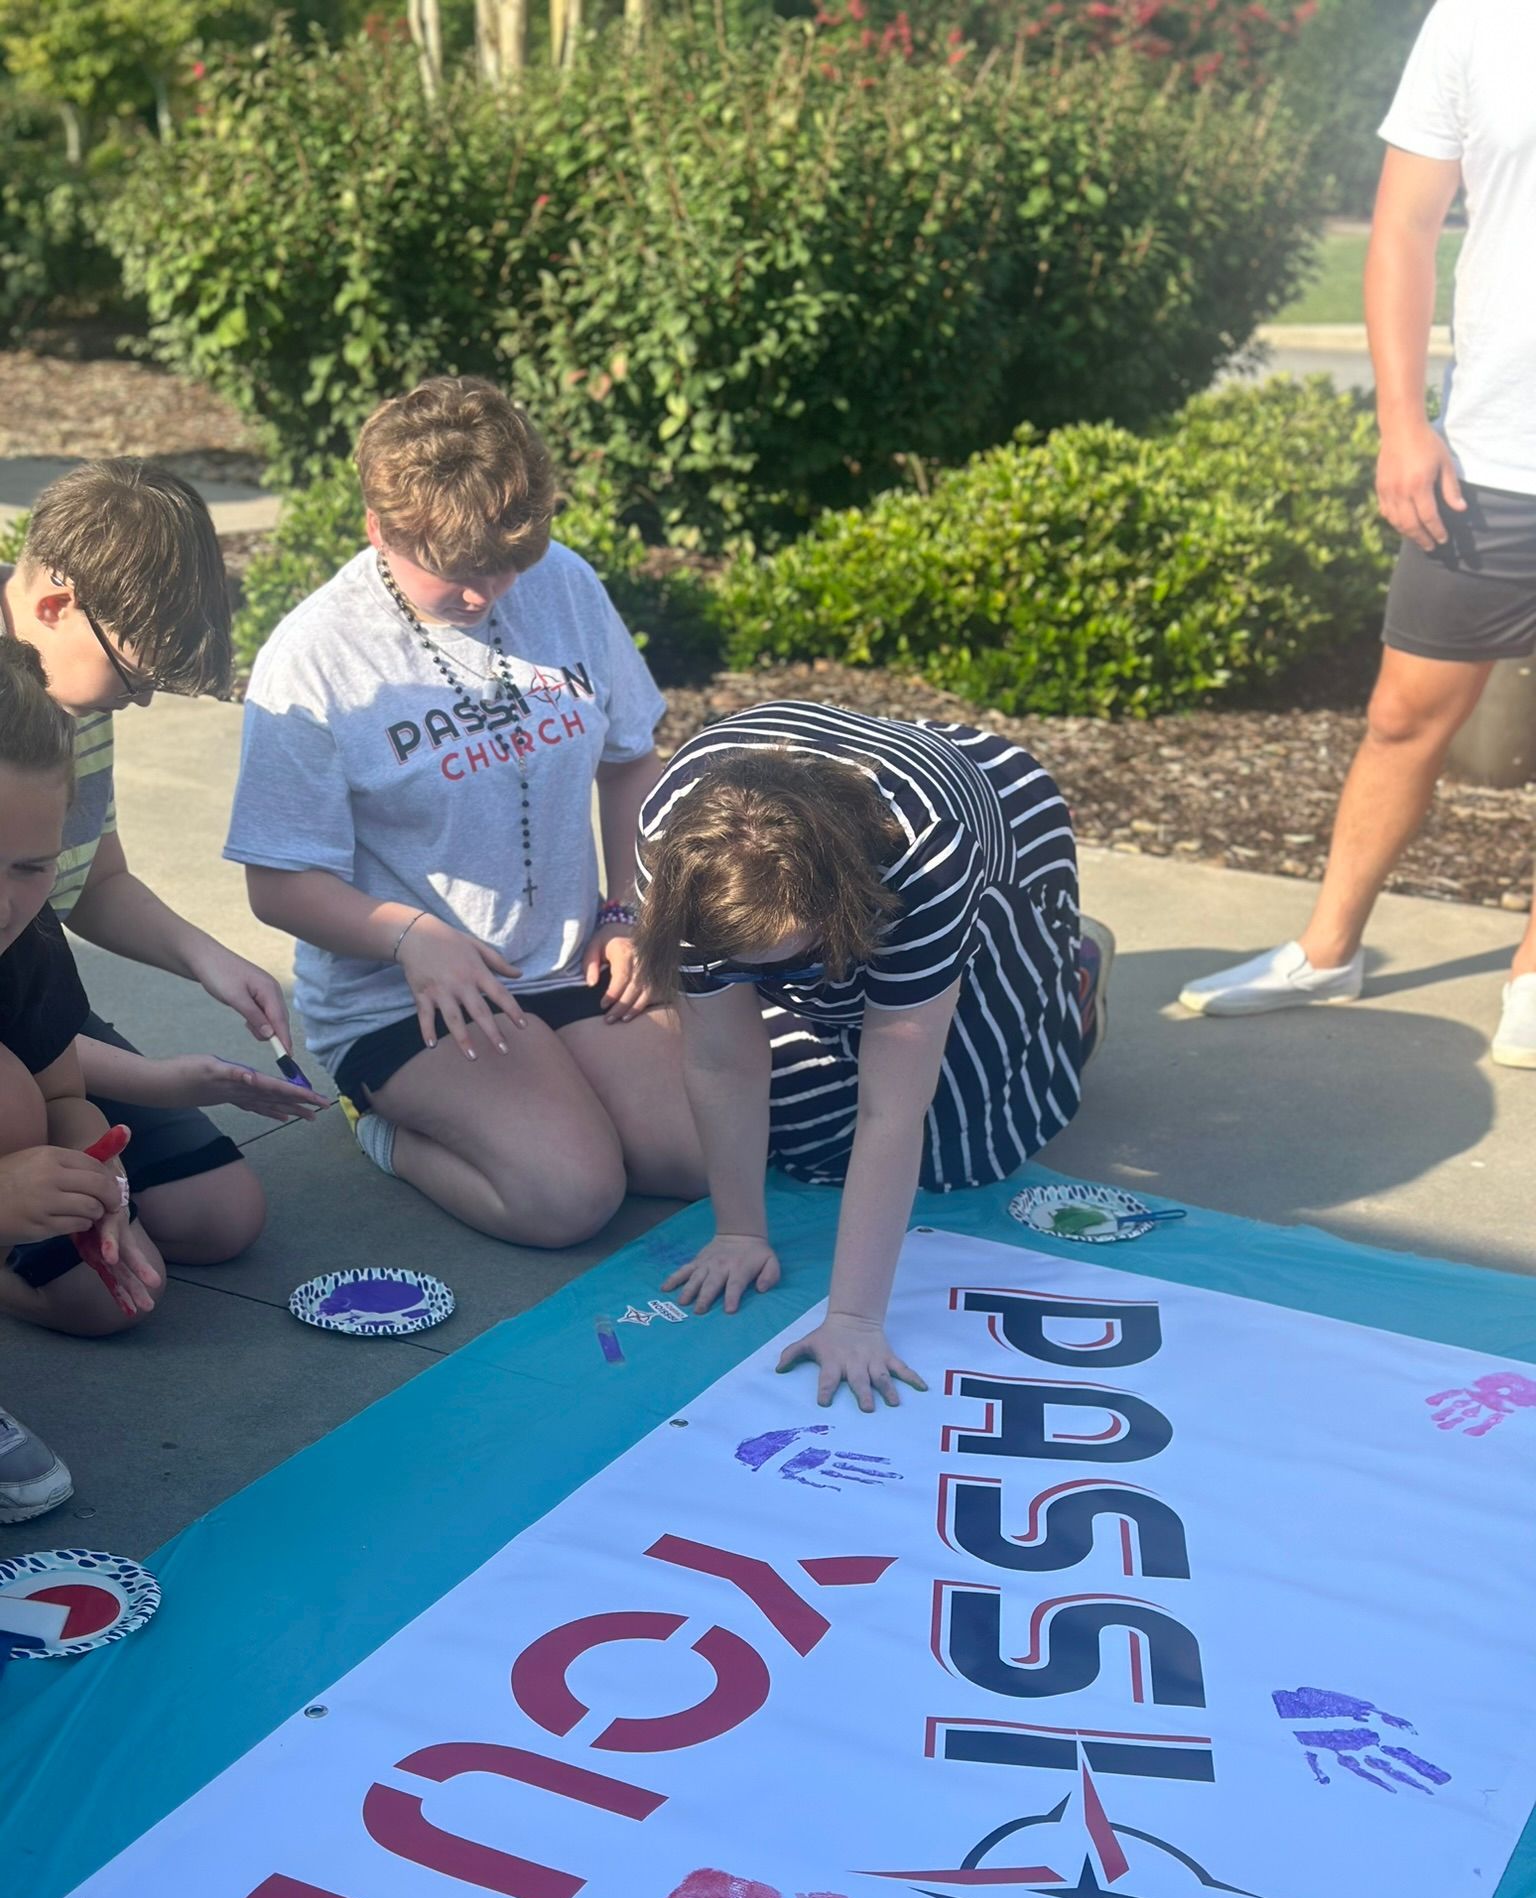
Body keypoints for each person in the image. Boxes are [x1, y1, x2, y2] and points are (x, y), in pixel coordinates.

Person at [226, 376, 704, 1244]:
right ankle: (379, 1128)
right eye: (456, 574)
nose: (490, 595)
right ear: (378, 529)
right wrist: (415, 936)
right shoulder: (314, 655)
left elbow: (630, 761)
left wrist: (630, 910)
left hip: (571, 960)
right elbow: (280, 884)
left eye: (507, 564)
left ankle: (551, 1084)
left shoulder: (564, 582)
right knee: (569, 1196)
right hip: (405, 996)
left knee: (701, 1155)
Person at [1180, 0, 1536, 1060]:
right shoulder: (1479, 18)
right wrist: (1400, 419)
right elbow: (1405, 225)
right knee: (1401, 715)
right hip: (1495, 453)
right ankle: (1328, 949)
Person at [634, 701, 1112, 1414]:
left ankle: (1073, 975)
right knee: (808, 1146)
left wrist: (855, 1319)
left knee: (967, 1148)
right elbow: (722, 1064)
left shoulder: (928, 853)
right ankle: (810, 970)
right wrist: (738, 1229)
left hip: (985, 829)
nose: (768, 983)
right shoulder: (674, 842)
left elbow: (894, 1110)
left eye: (785, 959)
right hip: (816, 850)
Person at [1, 461, 326, 1300]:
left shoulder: (71, 700)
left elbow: (90, 880)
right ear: (54, 607)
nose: (138, 706)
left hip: (28, 999)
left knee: (218, 1217)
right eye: (132, 678)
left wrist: (211, 962)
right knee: (19, 1120)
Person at [1, 639, 167, 1513]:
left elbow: (63, 1095)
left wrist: (97, 1184)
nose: (3, 904)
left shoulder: (21, 939)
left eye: (30, 868)